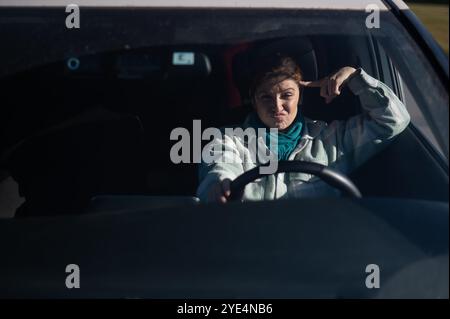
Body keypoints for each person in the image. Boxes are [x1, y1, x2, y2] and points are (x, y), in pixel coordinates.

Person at [197, 54, 410, 203]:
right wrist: (220, 184)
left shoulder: (332, 139)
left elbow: (392, 121)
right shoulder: (229, 139)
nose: (277, 106)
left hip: (317, 252)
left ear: (300, 96)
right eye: (266, 97)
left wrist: (355, 77)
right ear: (253, 101)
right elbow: (219, 167)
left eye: (287, 95)